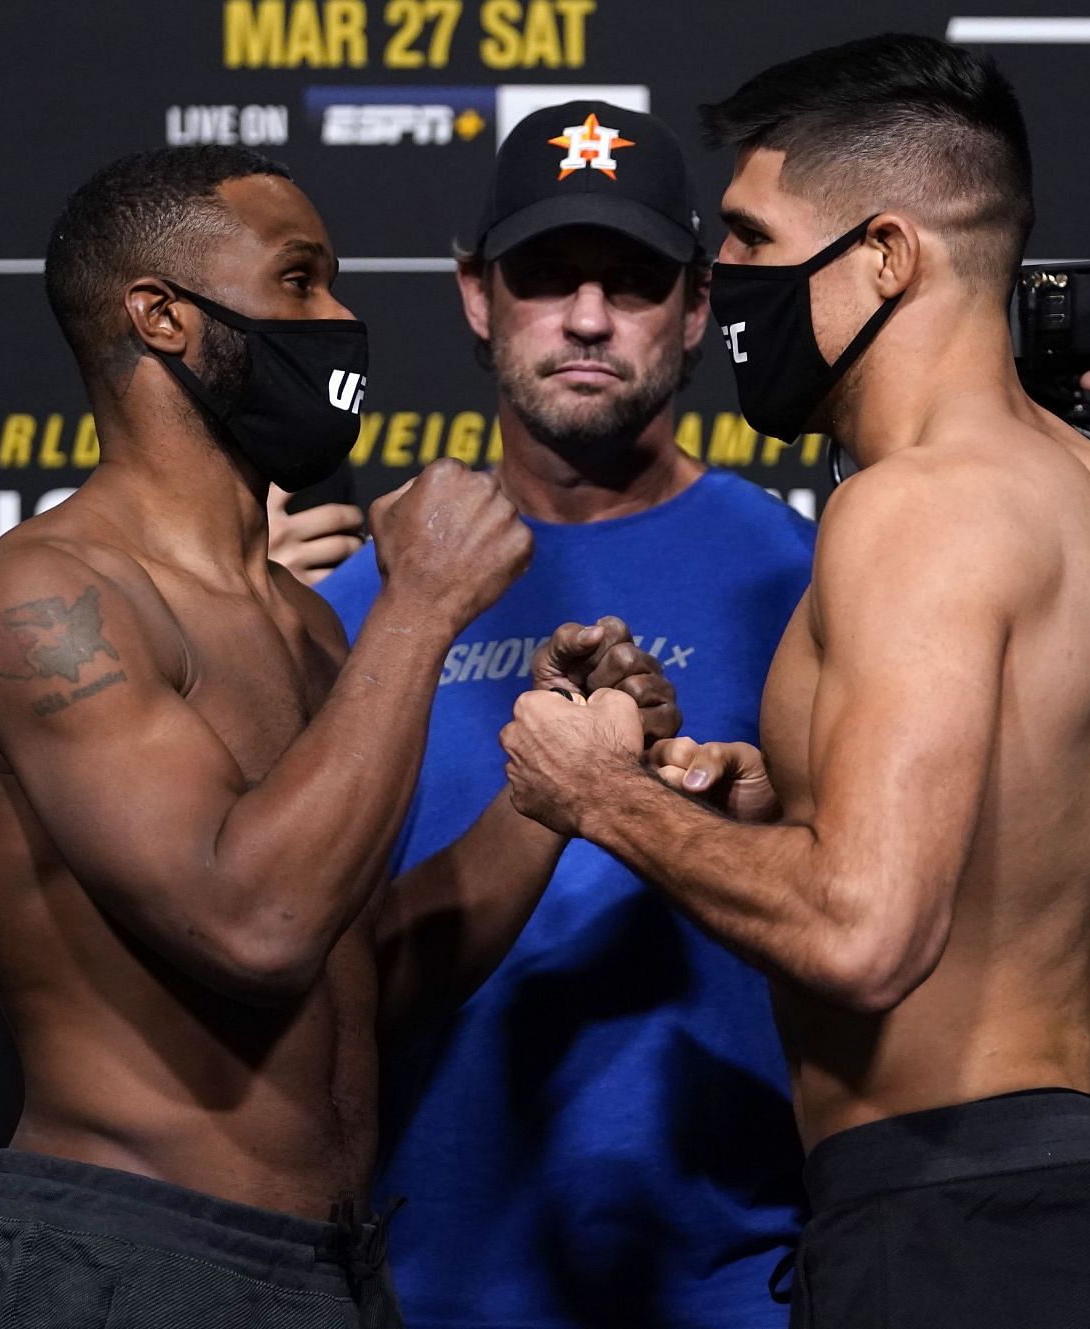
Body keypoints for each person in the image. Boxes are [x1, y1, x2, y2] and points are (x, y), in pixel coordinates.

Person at [499, 35, 1090, 1328]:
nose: (732, 287)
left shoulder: (911, 508)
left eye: (756, 246)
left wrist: (603, 794)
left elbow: (865, 935)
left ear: (887, 256)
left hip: (953, 1228)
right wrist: (761, 809)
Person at [0, 146, 674, 1329]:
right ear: (163, 318)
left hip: (326, 1267)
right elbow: (254, 924)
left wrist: (557, 790)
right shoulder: (49, 604)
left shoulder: (307, 621)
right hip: (128, 1261)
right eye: (300, 281)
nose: (340, 319)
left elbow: (356, 968)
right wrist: (422, 603)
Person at [317, 102, 817, 1328]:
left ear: (699, 307)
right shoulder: (359, 595)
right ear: (478, 296)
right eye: (546, 277)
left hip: (740, 1278)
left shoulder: (802, 572)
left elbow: (867, 918)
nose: (588, 319)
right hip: (428, 1281)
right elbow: (303, 963)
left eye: (634, 282)